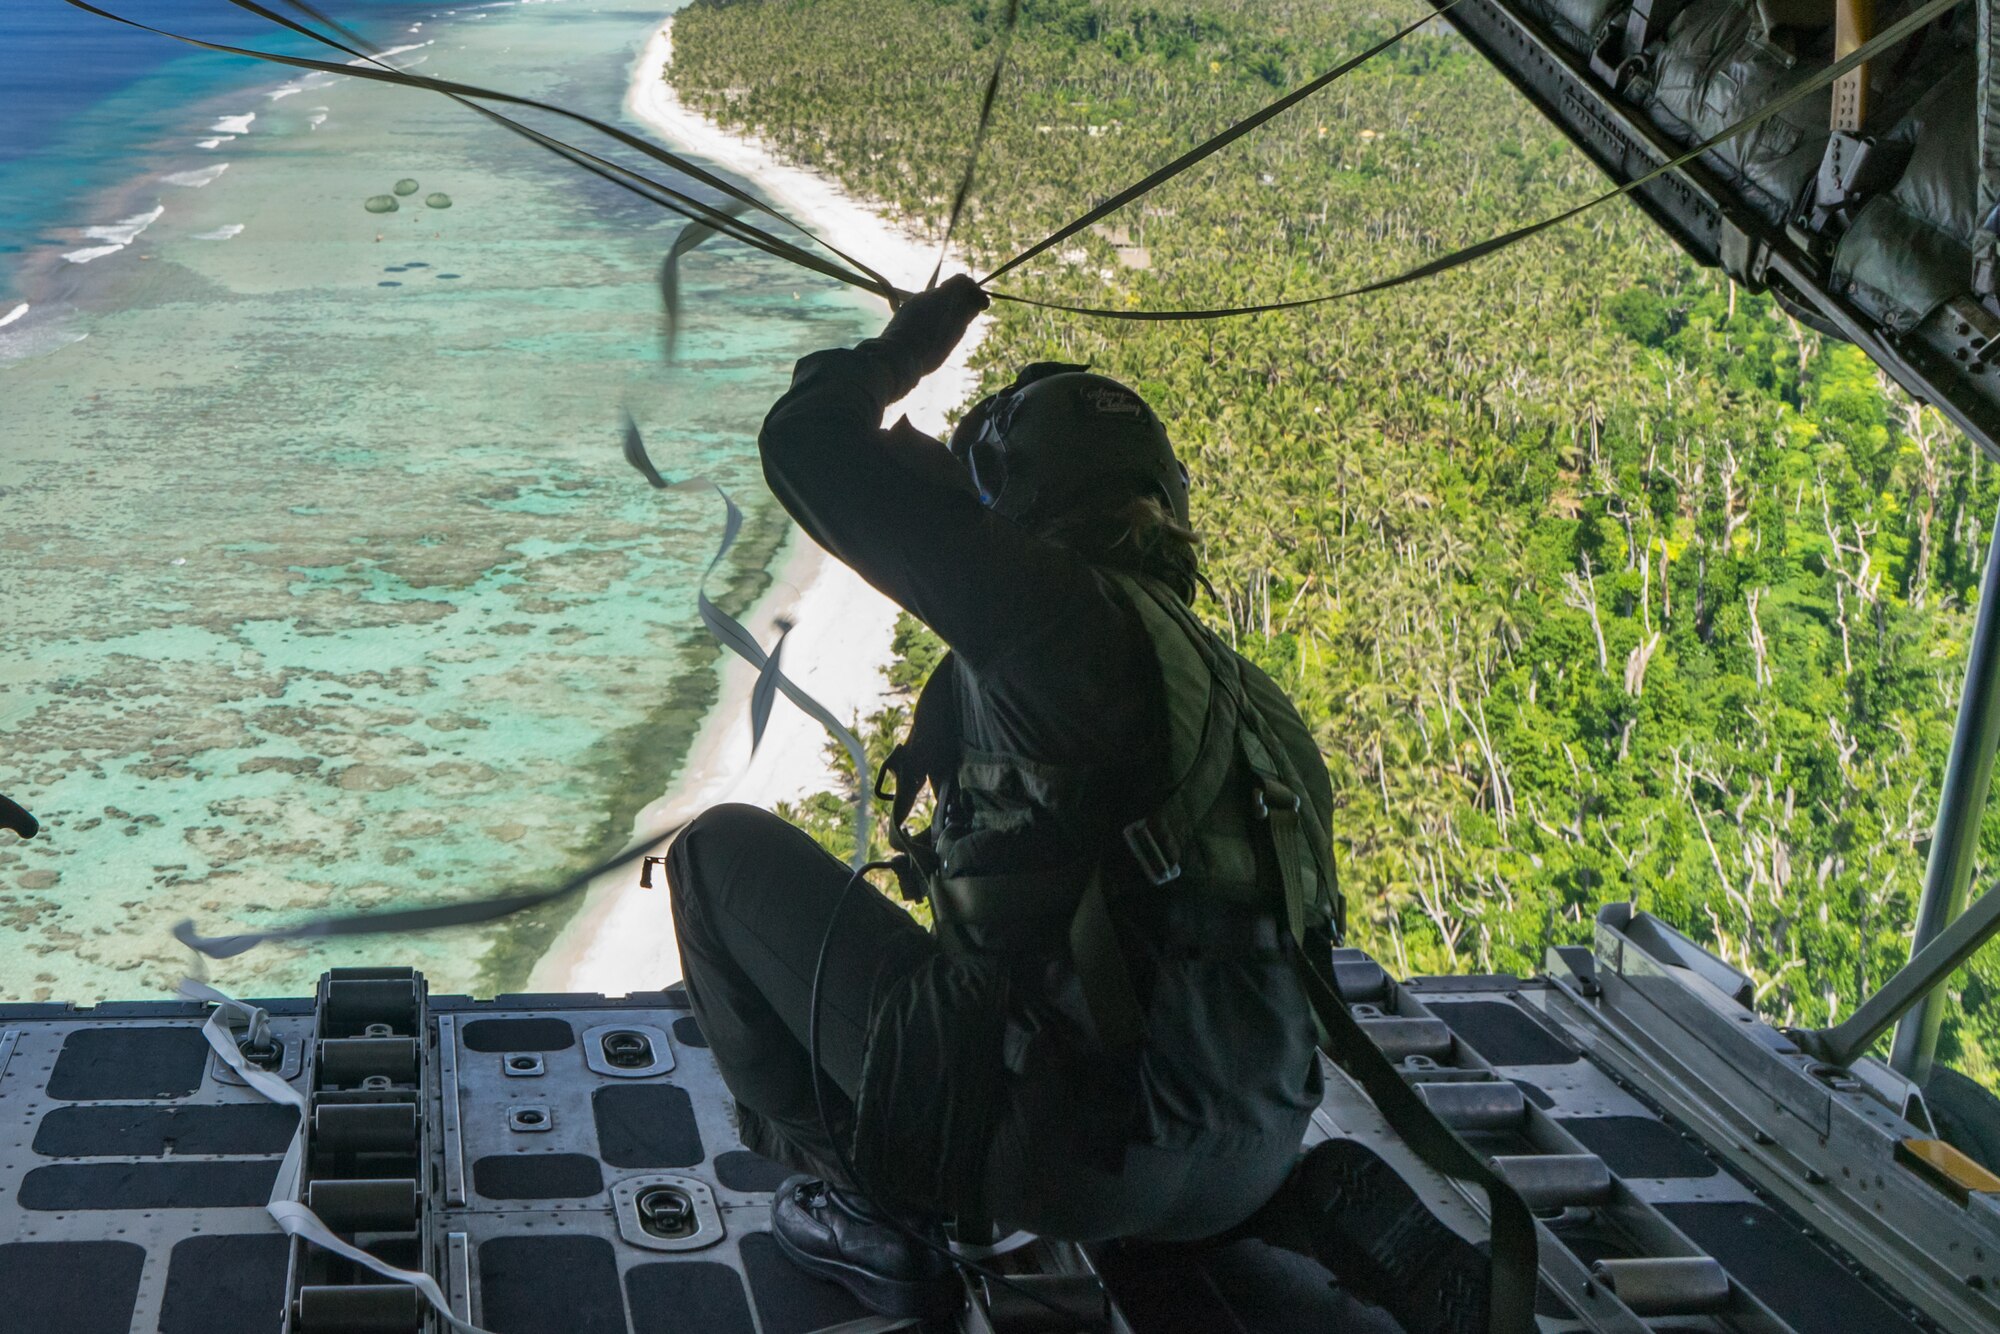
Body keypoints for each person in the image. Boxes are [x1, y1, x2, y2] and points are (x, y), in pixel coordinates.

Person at [666, 276, 1487, 1332]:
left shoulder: (1040, 608)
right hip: (1259, 1130)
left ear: (1014, 495)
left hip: (1075, 1156)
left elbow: (806, 448)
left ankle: (877, 1209)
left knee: (712, 855)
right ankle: (1267, 1205)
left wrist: (902, 351)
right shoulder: (1248, 695)